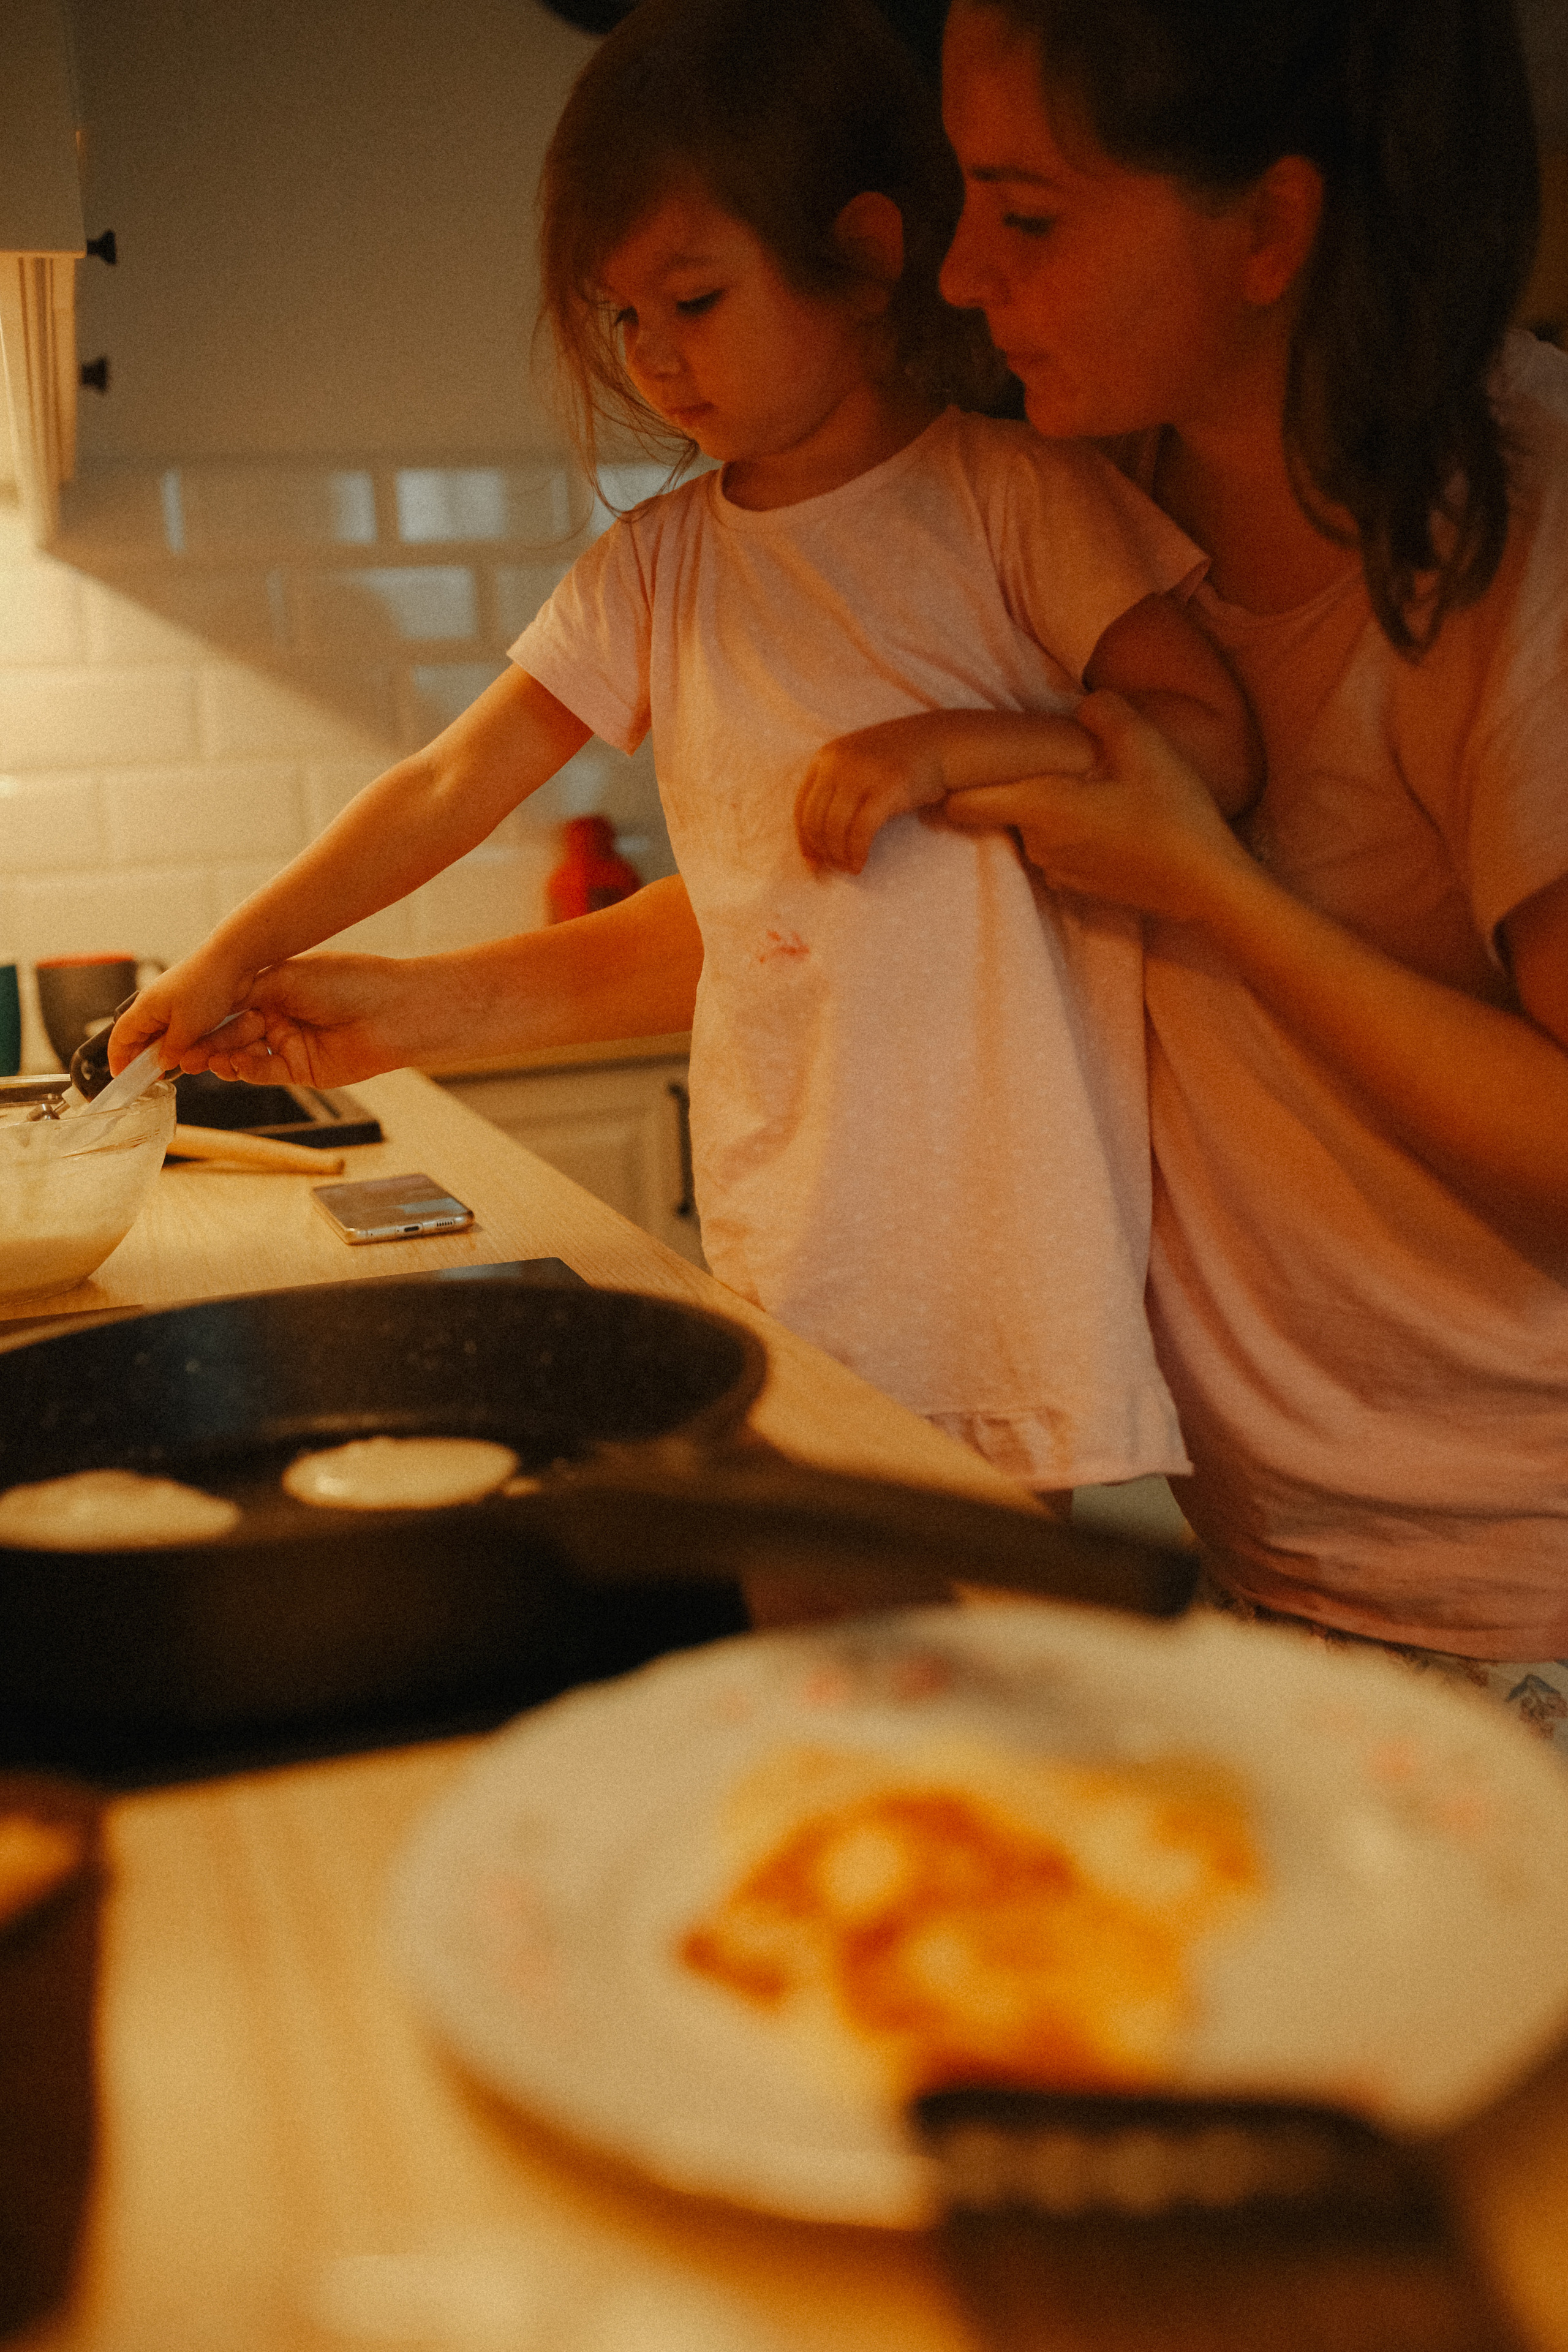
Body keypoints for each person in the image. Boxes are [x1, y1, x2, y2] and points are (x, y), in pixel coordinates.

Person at [111, 0, 1259, 1498]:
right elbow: (452, 778)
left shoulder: (1007, 499)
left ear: (860, 256)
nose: (654, 358)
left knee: (967, 1645)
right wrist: (232, 953)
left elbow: (1207, 744)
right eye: (624, 318)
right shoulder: (654, 566)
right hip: (794, 1223)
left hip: (1004, 1244)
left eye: (694, 301)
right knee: (809, 1590)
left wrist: (947, 749)